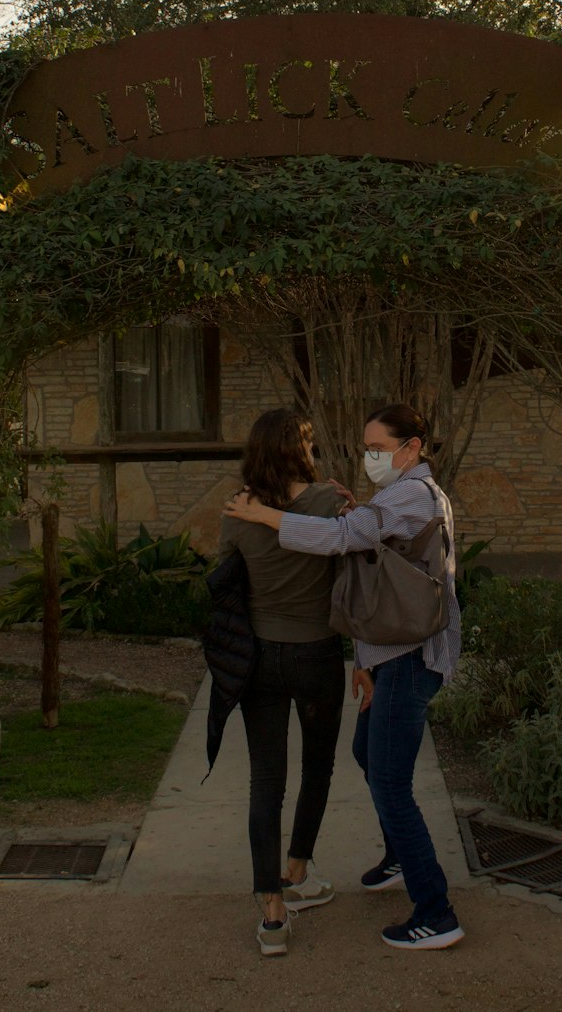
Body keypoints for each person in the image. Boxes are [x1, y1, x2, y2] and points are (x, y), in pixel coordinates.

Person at [225, 402, 464, 951]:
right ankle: (389, 857)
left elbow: (339, 540)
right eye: (367, 447)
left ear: (412, 448)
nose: (369, 456)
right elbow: (367, 561)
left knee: (386, 781)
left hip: (409, 660)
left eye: (378, 448)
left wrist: (262, 516)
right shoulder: (391, 496)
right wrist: (364, 660)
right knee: (360, 752)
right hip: (381, 658)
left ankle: (437, 911)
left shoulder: (411, 494)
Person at [218, 407, 347, 957]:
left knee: (265, 781)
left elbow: (225, 579)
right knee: (318, 766)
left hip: (259, 661)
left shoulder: (238, 510)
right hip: (317, 654)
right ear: (300, 449)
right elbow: (350, 582)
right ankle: (298, 869)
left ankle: (272, 912)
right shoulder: (331, 504)